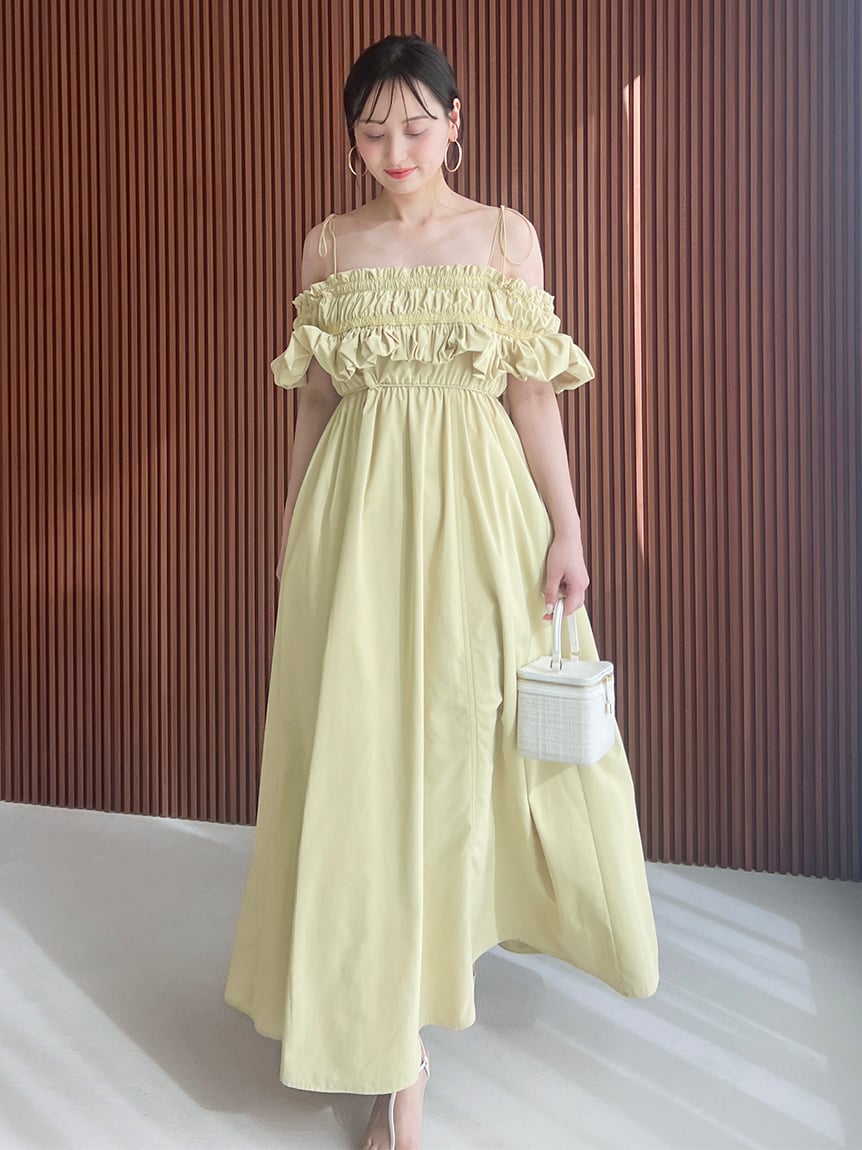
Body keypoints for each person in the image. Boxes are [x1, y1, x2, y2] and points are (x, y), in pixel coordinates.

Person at [224, 32, 659, 1150]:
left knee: (463, 755)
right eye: (372, 131)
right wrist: (293, 521)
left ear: (456, 123)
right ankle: (395, 1059)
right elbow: (315, 401)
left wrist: (567, 527)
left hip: (479, 520)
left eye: (416, 126)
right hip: (356, 524)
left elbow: (533, 396)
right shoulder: (331, 244)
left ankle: (435, 978)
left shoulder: (506, 237)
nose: (395, 150)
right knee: (365, 763)